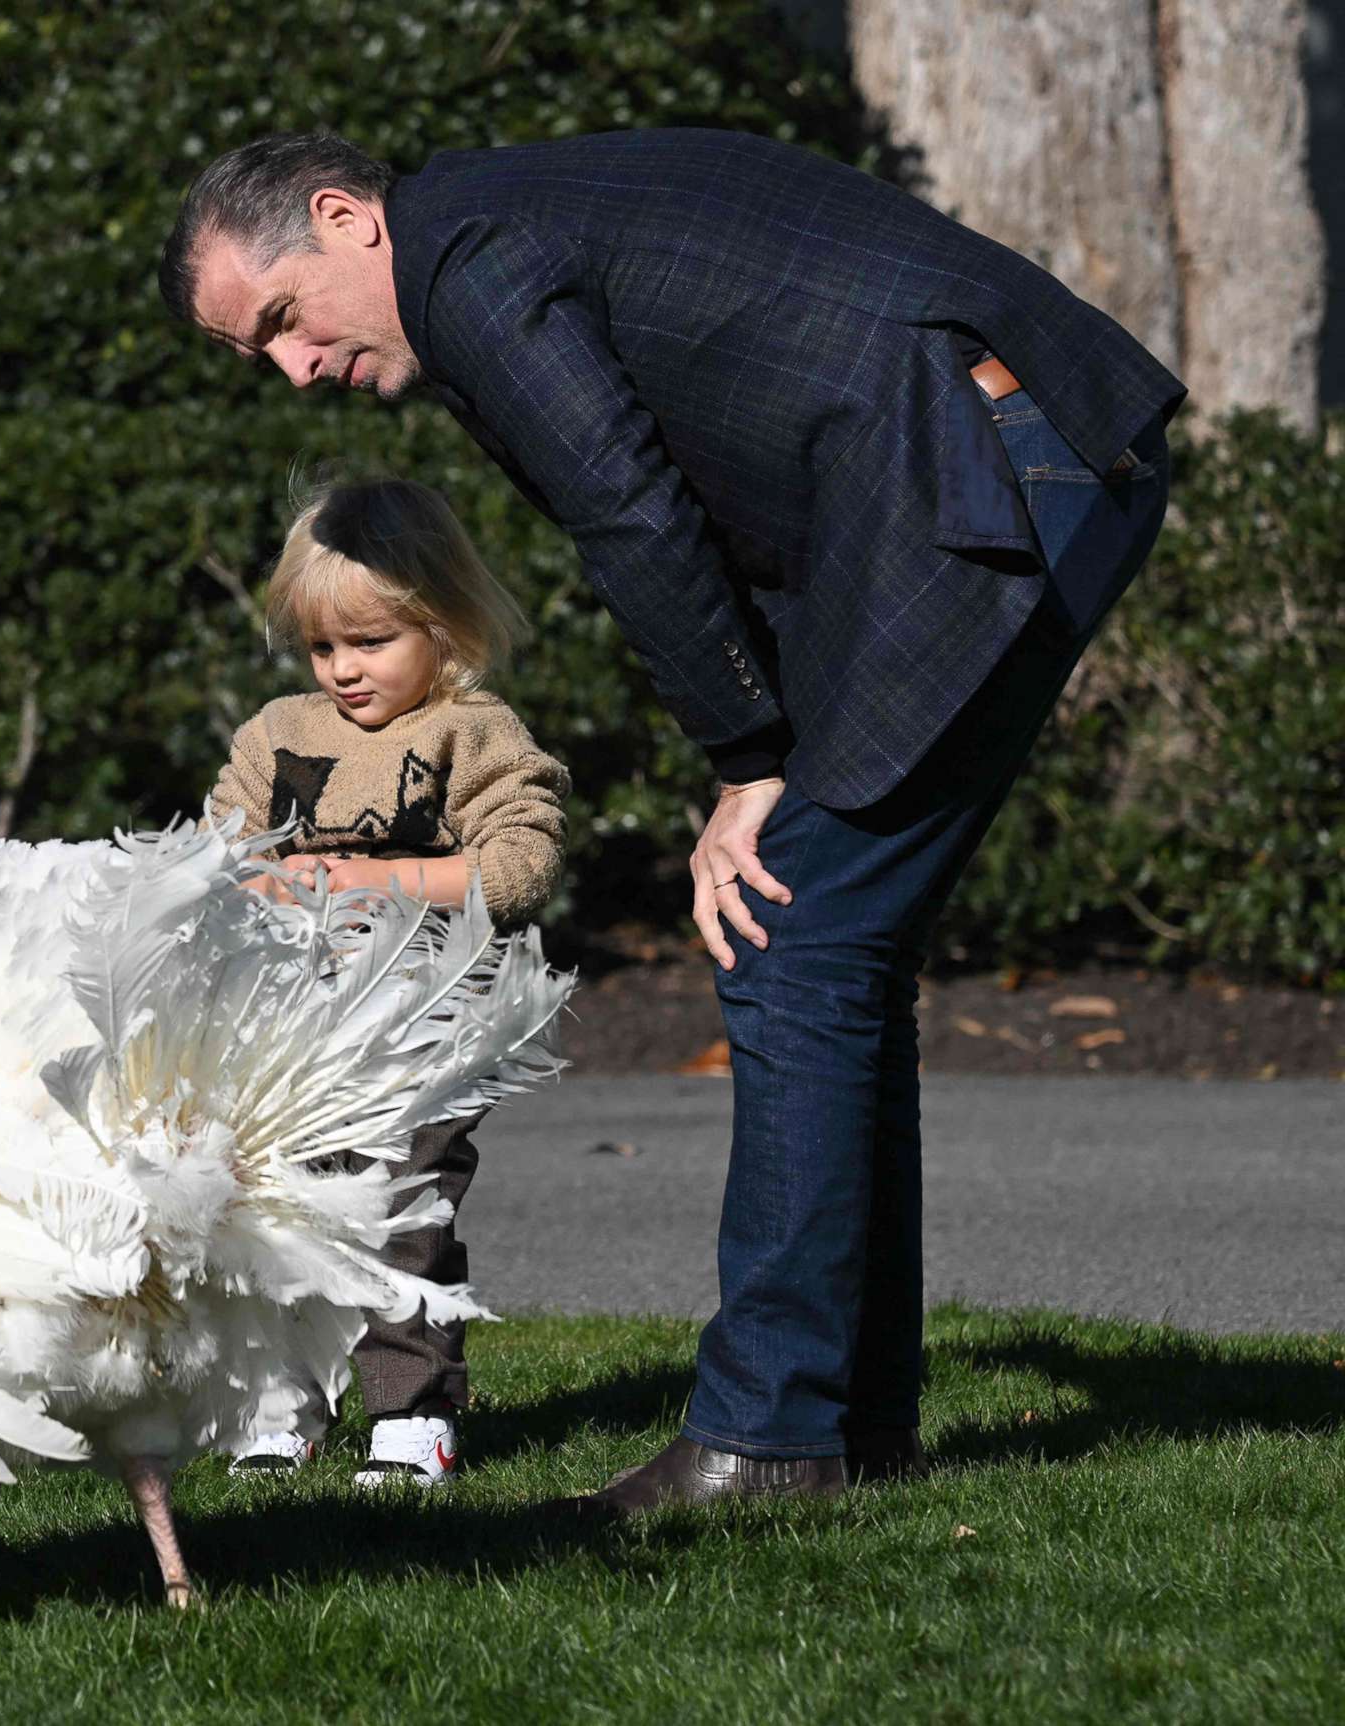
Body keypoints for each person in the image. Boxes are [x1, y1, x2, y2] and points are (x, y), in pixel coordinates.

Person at [162, 129, 1180, 1512]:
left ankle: (773, 1433)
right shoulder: (493, 219)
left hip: (984, 456)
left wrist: (749, 754)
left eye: (282, 317)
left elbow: (629, 507)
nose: (292, 367)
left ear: (344, 219)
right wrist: (762, 738)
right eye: (255, 354)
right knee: (832, 940)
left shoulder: (463, 263)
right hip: (975, 455)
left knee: (800, 933)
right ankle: (840, 1427)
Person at [207, 477, 568, 1489]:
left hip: (425, 1027)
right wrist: (254, 881)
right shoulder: (276, 738)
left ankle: (413, 1414)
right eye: (325, 646)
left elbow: (519, 866)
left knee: (402, 1211)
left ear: (445, 626)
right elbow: (214, 855)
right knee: (277, 1209)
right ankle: (284, 1397)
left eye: (371, 641)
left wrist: (380, 880)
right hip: (287, 1030)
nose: (343, 669)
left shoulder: (472, 731)